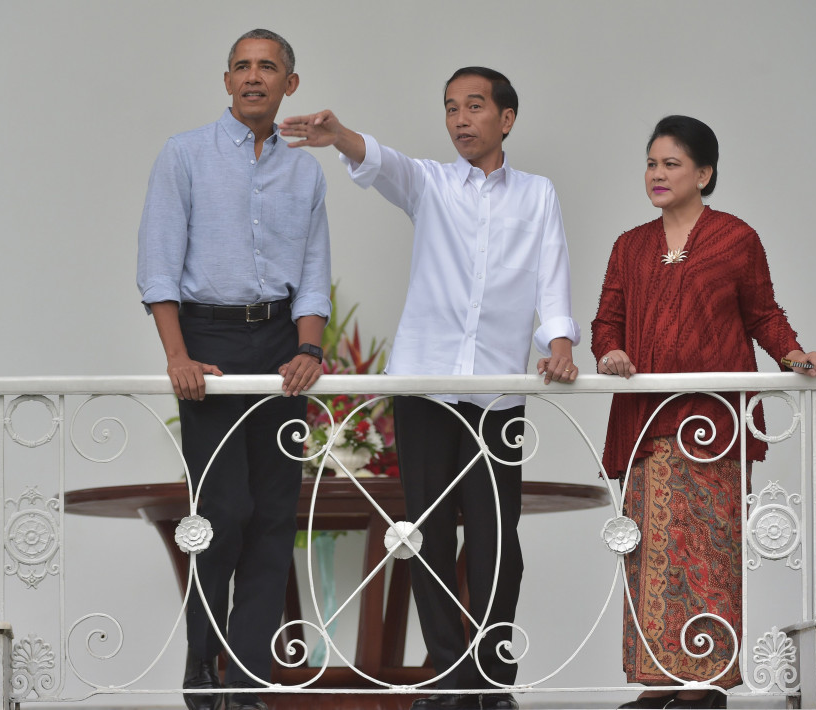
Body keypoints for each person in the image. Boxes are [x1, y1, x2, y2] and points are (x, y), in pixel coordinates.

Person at [279, 67, 580, 710]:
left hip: (499, 393)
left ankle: (491, 680)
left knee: (500, 541)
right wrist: (340, 136)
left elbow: (552, 271)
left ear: (507, 118)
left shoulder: (537, 194)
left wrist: (558, 342)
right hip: (424, 388)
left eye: (474, 106)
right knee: (427, 535)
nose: (460, 119)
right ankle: (447, 675)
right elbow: (386, 164)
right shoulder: (433, 183)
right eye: (450, 108)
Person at [591, 115, 816, 710]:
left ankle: (705, 684)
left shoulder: (735, 239)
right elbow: (606, 322)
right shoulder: (630, 245)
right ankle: (656, 682)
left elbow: (763, 316)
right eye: (651, 163)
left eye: (671, 164)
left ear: (704, 173)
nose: (657, 174)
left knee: (706, 554)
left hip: (711, 429)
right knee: (647, 553)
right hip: (647, 425)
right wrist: (610, 352)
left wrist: (793, 353)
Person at [136, 29, 331, 710]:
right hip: (209, 341)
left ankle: (247, 684)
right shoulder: (183, 155)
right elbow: (158, 264)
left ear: (289, 85)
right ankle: (202, 670)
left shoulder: (305, 171)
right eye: (243, 67)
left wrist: (308, 348)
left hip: (282, 347)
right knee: (222, 511)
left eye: (268, 67)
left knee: (277, 514)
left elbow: (312, 275)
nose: (254, 77)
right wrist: (178, 355)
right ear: (227, 82)